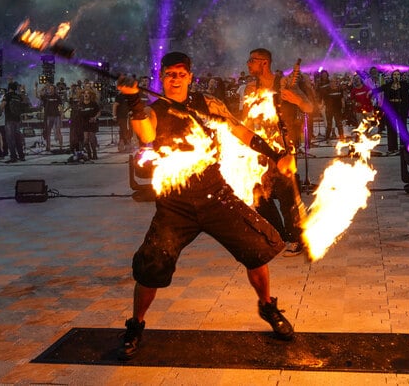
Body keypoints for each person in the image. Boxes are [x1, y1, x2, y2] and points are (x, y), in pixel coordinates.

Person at [115, 51, 295, 361]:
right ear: (161, 78)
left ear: (189, 77)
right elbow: (145, 133)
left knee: (256, 250)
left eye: (181, 74)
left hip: (214, 194)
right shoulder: (154, 109)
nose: (175, 79)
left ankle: (267, 306)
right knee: (151, 266)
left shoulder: (208, 104)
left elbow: (239, 130)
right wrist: (133, 100)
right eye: (169, 74)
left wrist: (275, 153)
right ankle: (136, 325)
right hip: (175, 203)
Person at [243, 48, 312, 256]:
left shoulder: (284, 84)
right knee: (259, 197)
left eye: (252, 60)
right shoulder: (249, 89)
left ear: (264, 62)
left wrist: (296, 100)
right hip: (259, 150)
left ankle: (296, 238)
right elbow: (246, 119)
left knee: (286, 196)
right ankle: (278, 236)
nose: (248, 64)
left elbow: (309, 107)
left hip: (283, 148)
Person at [34, 81, 63, 152]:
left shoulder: (57, 97)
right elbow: (37, 95)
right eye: (50, 89)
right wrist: (37, 87)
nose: (51, 90)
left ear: (54, 89)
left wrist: (62, 115)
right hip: (48, 116)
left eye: (52, 89)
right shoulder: (46, 96)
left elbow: (61, 106)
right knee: (48, 132)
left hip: (56, 116)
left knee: (58, 131)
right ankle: (48, 146)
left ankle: (61, 147)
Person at [1, 81, 26, 162]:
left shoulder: (7, 95)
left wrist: (0, 111)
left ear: (9, 88)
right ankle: (21, 155)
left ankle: (13, 156)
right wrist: (22, 90)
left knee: (10, 139)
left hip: (9, 119)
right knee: (18, 138)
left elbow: (3, 105)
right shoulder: (17, 96)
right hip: (17, 119)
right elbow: (24, 99)